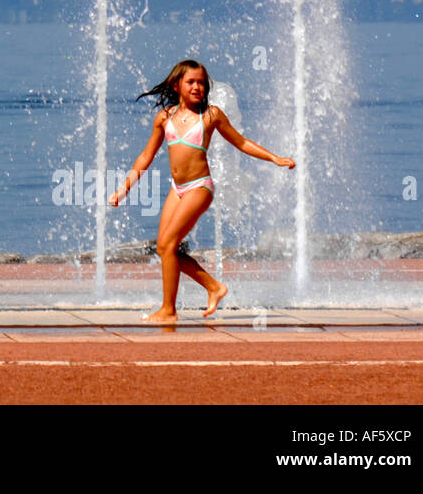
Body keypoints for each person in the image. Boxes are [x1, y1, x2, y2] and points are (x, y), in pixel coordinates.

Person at [107, 59, 295, 322]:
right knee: (164, 248)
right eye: (191, 82)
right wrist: (123, 190)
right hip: (177, 188)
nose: (197, 87)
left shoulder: (211, 116)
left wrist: (275, 158)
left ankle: (169, 310)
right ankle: (213, 287)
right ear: (176, 85)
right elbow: (145, 157)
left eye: (202, 83)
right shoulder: (164, 117)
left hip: (199, 187)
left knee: (169, 244)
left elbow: (241, 142)